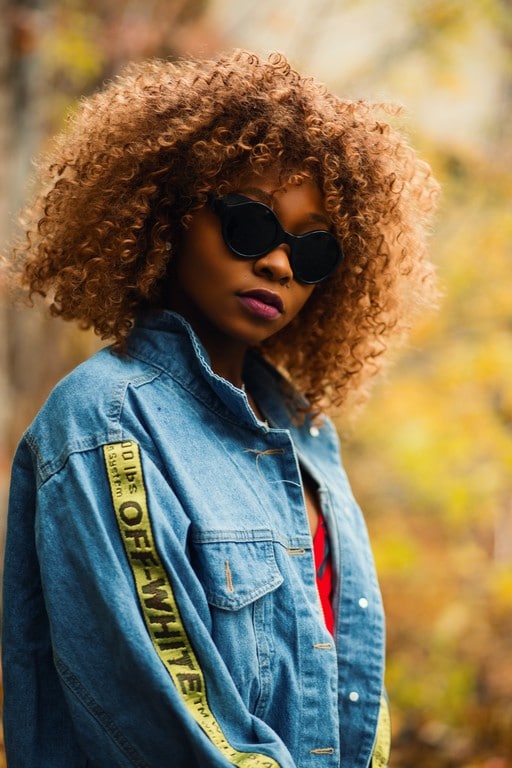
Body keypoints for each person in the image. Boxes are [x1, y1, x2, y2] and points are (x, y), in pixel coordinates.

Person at [2, 50, 439, 768]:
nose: (277, 264)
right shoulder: (106, 422)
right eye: (249, 225)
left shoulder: (304, 437)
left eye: (314, 250)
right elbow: (169, 727)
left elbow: (350, 695)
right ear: (168, 215)